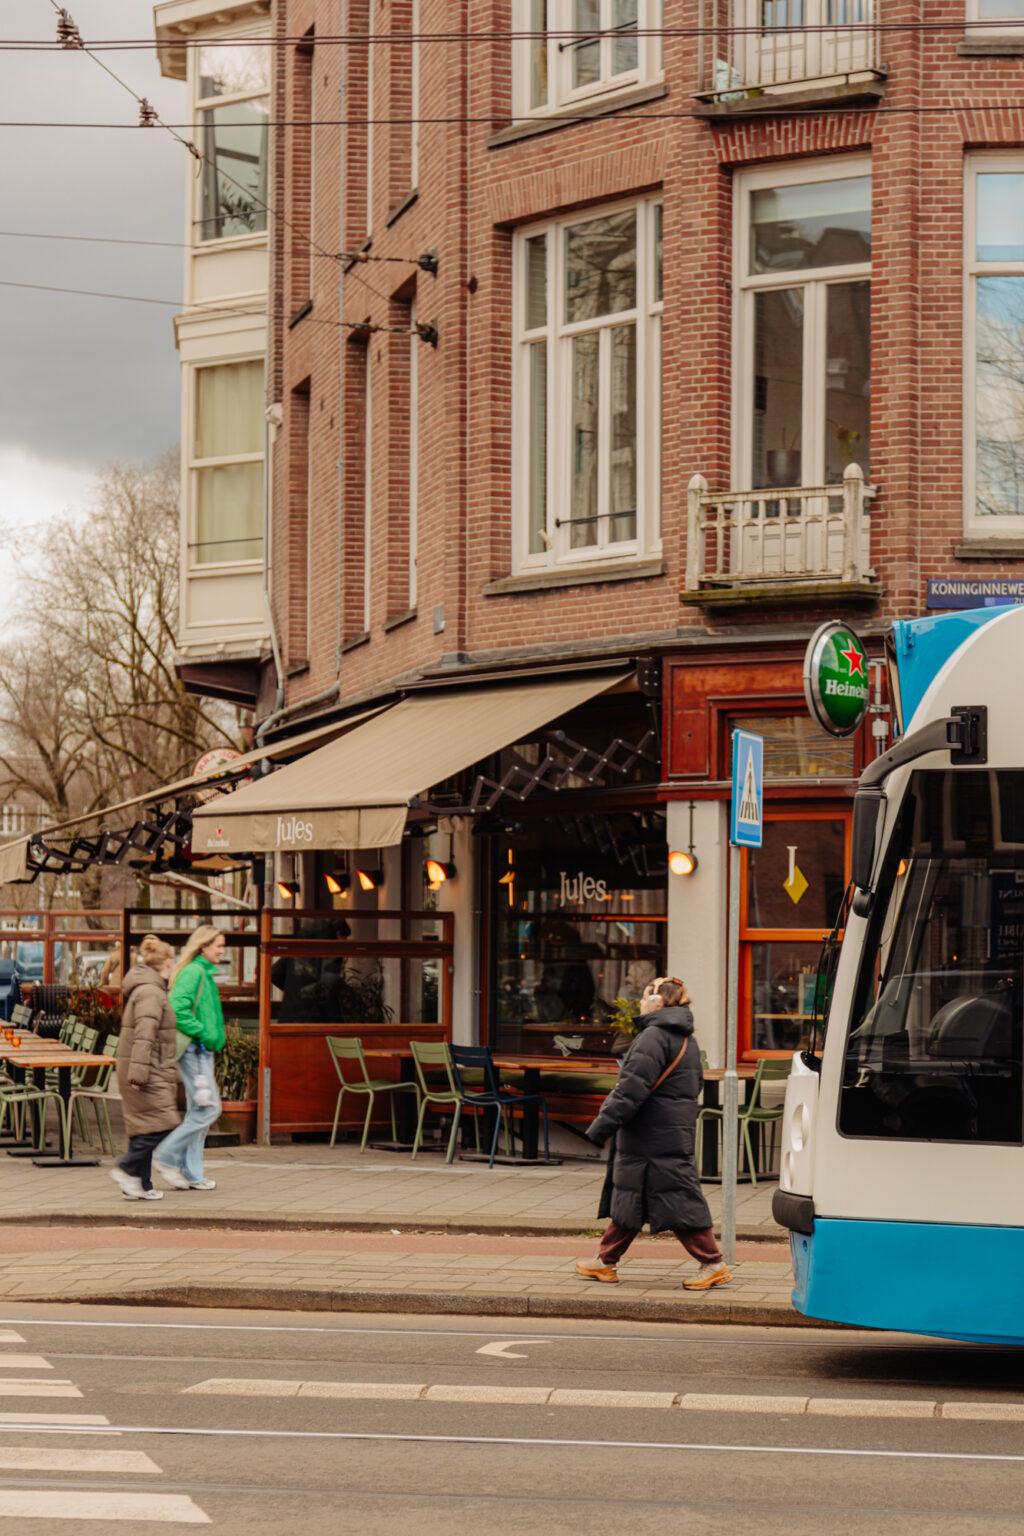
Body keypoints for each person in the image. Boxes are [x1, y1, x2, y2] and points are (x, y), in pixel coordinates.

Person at [575, 976, 731, 1292]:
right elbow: (694, 1086)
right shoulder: (686, 1039)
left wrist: (599, 1128)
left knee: (679, 1200)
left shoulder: (654, 1037)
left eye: (645, 995)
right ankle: (606, 1261)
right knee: (633, 1198)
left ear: (657, 1002)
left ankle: (714, 1263)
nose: (640, 1000)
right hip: (668, 1132)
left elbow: (629, 1090)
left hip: (652, 1135)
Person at [152, 924, 227, 1192]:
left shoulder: (201, 972)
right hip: (196, 1050)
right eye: (218, 945)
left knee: (199, 1111)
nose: (222, 949)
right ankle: (164, 1156)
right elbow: (177, 1009)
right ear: (204, 946)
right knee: (209, 1109)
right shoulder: (195, 972)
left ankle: (193, 1174)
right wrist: (204, 1033)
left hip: (201, 1049)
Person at [109, 934, 180, 1202]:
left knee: (144, 1127)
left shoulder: (147, 987)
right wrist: (138, 1074)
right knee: (164, 1124)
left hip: (148, 1068)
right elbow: (145, 1034)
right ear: (167, 962)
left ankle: (139, 1184)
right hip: (148, 1071)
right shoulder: (151, 991)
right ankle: (126, 1169)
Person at [270, 915, 351, 1023]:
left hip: (290, 1017)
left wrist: (295, 990)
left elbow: (274, 973)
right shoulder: (329, 955)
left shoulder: (299, 949)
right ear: (338, 933)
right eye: (344, 938)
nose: (345, 943)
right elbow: (329, 989)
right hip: (315, 1019)